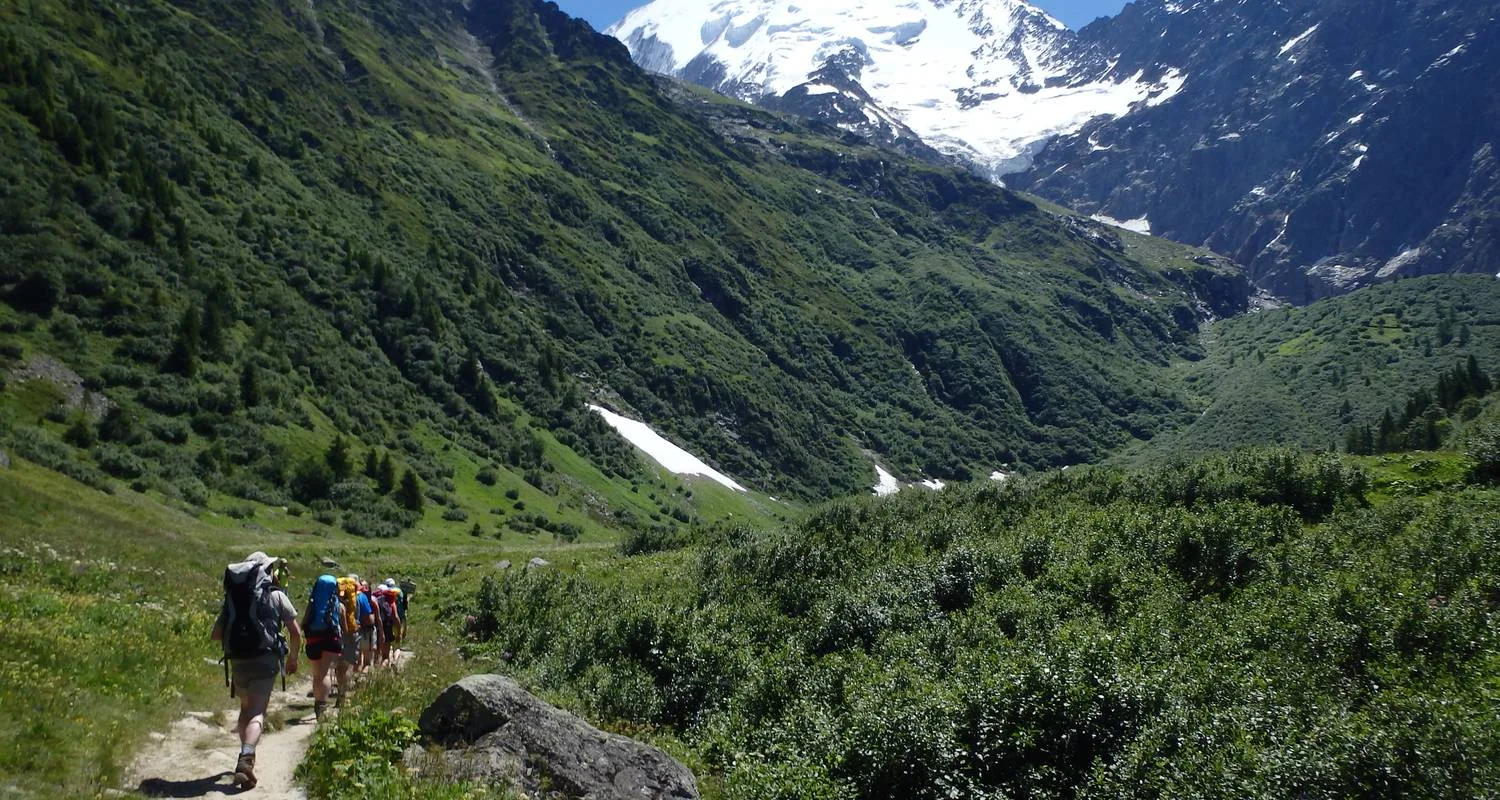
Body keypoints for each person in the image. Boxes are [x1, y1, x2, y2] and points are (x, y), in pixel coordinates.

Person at [212, 552, 302, 790]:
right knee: (257, 712)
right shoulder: (277, 595)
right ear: (266, 571)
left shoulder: (234, 598)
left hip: (238, 660)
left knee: (244, 708)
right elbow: (295, 632)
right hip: (265, 659)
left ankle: (246, 755)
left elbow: (216, 634)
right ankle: (247, 758)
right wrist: (293, 659)